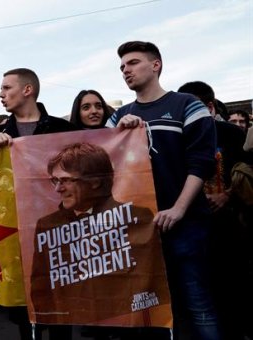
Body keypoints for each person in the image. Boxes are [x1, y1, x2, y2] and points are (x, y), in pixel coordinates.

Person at [106, 41, 221, 339]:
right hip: (139, 230)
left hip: (187, 225)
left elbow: (201, 163)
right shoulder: (118, 117)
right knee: (151, 312)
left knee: (199, 305)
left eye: (132, 63)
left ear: (155, 64)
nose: (125, 71)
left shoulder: (187, 105)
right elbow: (100, 164)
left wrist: (179, 209)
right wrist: (119, 136)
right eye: (121, 67)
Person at [31, 143, 165, 324]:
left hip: (123, 321)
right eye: (55, 180)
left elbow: (149, 281)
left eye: (66, 180)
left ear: (95, 181)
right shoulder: (47, 224)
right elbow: (41, 283)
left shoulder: (136, 218)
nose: (58, 189)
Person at [0, 68, 76, 340]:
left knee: (63, 304)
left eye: (6, 88)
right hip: (19, 232)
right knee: (26, 310)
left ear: (27, 90)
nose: (1, 94)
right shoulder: (1, 134)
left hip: (62, 232)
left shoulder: (64, 130)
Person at [178, 81, 252, 339]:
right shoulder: (180, 137)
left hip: (232, 227)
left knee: (234, 287)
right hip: (193, 228)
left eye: (194, 108)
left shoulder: (231, 133)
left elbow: (248, 172)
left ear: (210, 107)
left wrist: (227, 195)